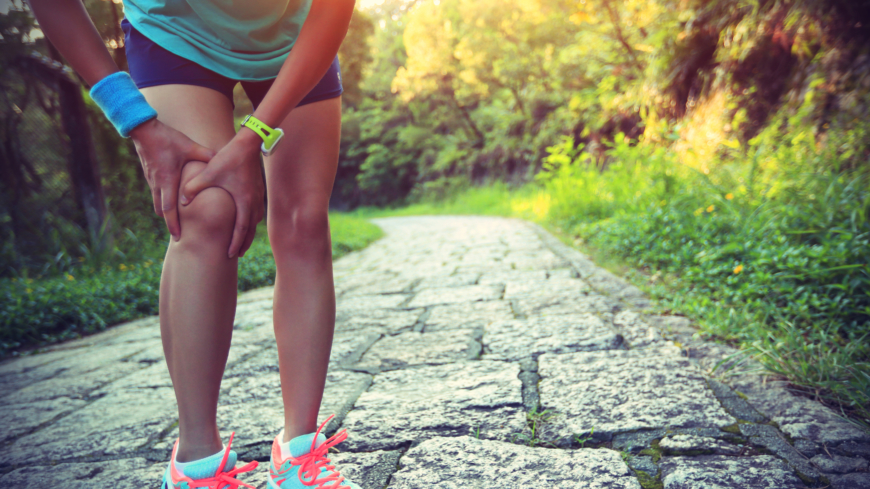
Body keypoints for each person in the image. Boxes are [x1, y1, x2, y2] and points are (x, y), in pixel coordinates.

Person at [27, 0, 358, 487]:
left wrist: (251, 139)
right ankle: (195, 466)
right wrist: (136, 121)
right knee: (206, 209)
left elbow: (334, 9)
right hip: (174, 31)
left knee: (303, 221)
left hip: (294, 38)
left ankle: (299, 453)